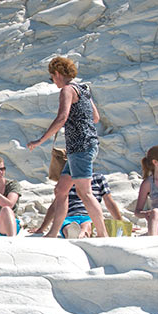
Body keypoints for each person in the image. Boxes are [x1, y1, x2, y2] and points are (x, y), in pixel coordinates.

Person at [27, 56, 107, 237]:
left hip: (80, 148)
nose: (53, 81)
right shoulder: (84, 89)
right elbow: (95, 118)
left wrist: (40, 140)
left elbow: (62, 117)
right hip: (86, 145)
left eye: (51, 77)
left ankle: (103, 236)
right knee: (61, 189)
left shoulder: (67, 90)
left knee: (84, 193)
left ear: (57, 73)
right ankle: (53, 233)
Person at [32, 172, 123, 238]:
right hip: (85, 216)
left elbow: (55, 206)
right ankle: (81, 234)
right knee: (81, 226)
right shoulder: (67, 180)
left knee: (72, 226)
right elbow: (109, 202)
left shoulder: (98, 178)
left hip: (86, 216)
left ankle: (77, 233)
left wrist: (42, 228)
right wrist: (41, 228)